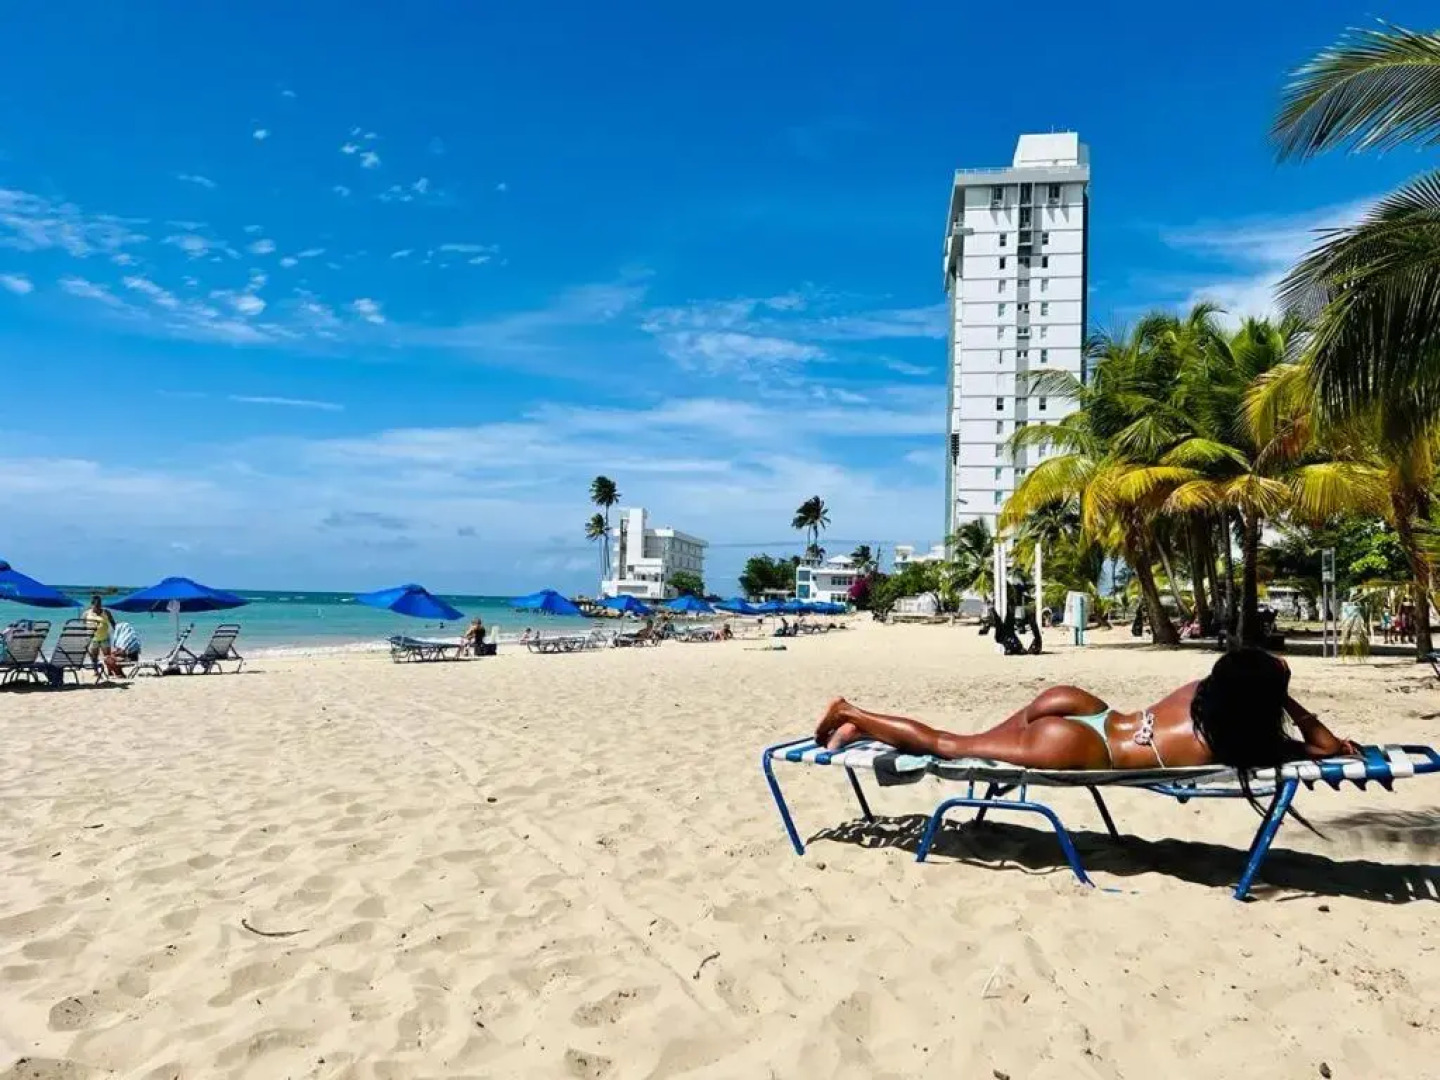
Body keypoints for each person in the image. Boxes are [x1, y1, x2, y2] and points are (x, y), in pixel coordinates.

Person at [815, 647, 1358, 772]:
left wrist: (1268, 679)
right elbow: (1325, 748)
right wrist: (1284, 695)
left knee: (959, 741)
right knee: (949, 747)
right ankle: (853, 712)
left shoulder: (1200, 690)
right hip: (1084, 745)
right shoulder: (1238, 742)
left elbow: (1243, 676)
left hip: (1087, 708)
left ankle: (864, 731)